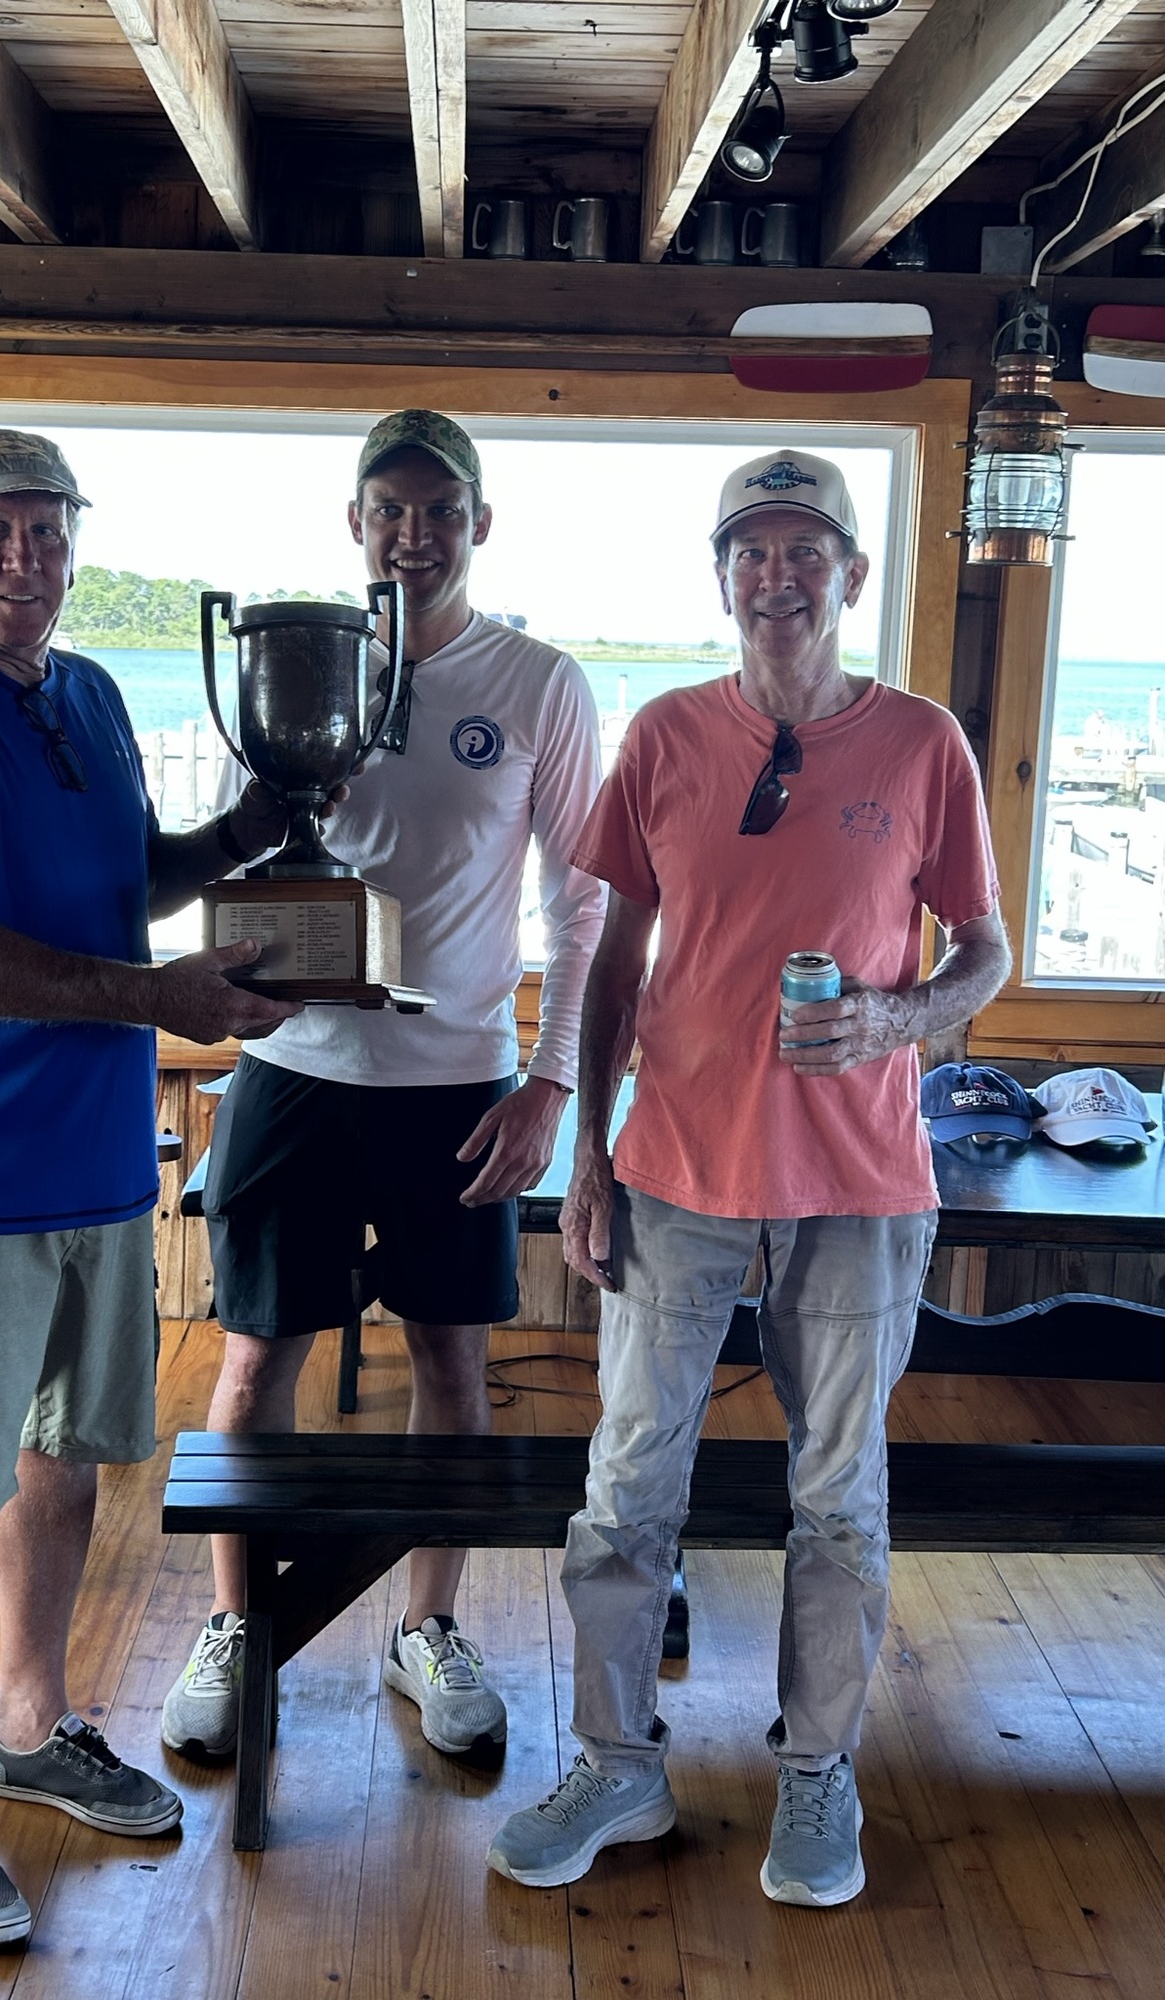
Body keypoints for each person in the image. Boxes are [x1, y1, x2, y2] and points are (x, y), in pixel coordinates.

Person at [487, 449, 1011, 1905]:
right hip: (673, 1178)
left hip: (860, 1191)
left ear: (850, 573)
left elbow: (985, 949)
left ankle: (815, 1772)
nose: (776, 575)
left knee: (839, 1495)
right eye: (751, 551)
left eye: (806, 550)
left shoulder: (924, 746)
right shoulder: (660, 737)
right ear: (720, 578)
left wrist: (899, 1019)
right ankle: (616, 1762)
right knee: (624, 1485)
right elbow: (610, 960)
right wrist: (587, 1153)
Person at [0, 427, 302, 1949]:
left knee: (62, 1465)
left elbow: (114, 882)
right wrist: (157, 997)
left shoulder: (84, 693)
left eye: (47, 530)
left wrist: (236, 840)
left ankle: (34, 1724)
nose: (24, 558)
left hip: (98, 1163)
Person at [160, 410, 606, 1761]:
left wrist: (551, 1084)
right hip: (296, 1070)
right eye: (388, 511)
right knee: (252, 1364)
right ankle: (241, 1625)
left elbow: (581, 905)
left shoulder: (538, 682)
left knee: (452, 1365)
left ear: (479, 525)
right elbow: (243, 863)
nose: (414, 533)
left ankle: (428, 1624)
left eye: (439, 510)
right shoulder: (296, 673)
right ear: (355, 527)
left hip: (458, 1081)